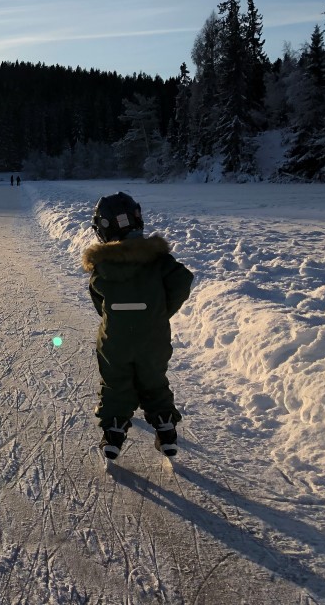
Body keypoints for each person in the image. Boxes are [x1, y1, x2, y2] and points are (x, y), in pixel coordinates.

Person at [82, 192, 194, 460]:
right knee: (153, 380)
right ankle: (166, 430)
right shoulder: (159, 260)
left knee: (116, 382)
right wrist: (158, 312)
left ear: (104, 228)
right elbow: (181, 281)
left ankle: (114, 433)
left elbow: (99, 301)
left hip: (115, 341)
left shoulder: (102, 267)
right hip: (152, 338)